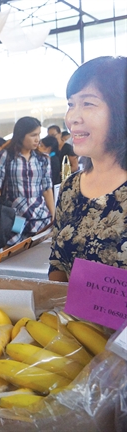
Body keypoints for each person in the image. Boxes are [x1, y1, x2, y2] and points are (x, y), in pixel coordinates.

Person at [49, 56, 127, 282]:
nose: (72, 117)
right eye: (71, 104)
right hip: (72, 318)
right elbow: (57, 265)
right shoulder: (70, 188)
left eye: (88, 103)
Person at [0, 116, 54, 245]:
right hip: (15, 216)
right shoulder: (6, 155)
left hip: (40, 216)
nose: (37, 139)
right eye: (33, 135)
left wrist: (54, 216)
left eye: (38, 135)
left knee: (39, 256)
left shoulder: (43, 158)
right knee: (14, 256)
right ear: (20, 135)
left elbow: (47, 189)